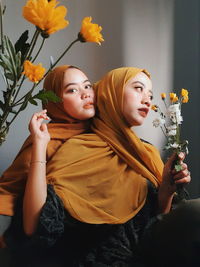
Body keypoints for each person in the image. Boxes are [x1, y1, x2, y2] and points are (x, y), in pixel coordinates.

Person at [7, 66, 194, 267]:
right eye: (138, 88)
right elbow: (37, 227)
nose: (147, 99)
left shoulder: (147, 153)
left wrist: (165, 191)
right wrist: (39, 145)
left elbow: (153, 234)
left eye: (150, 93)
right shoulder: (77, 149)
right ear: (110, 93)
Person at [0, 65, 95, 247]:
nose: (85, 94)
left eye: (88, 86)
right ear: (56, 101)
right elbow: (9, 190)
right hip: (42, 238)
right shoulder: (46, 139)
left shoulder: (102, 131)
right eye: (72, 90)